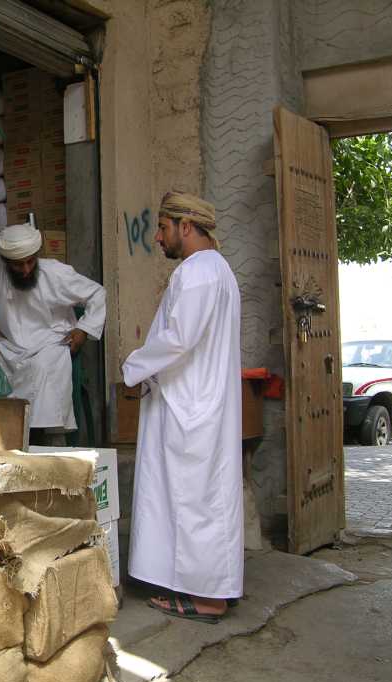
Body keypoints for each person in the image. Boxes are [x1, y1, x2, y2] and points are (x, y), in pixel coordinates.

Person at [121, 191, 243, 623]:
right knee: (201, 499)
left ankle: (207, 598)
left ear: (185, 226)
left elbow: (178, 339)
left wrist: (131, 366)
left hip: (191, 406)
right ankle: (210, 589)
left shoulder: (197, 273)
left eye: (162, 227)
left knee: (194, 501)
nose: (157, 237)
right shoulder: (217, 270)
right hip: (198, 401)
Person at [0, 223, 106, 444]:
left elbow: (97, 293)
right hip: (9, 347)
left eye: (30, 262)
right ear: (5, 263)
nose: (26, 269)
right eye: (18, 265)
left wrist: (83, 329)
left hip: (51, 342)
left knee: (41, 370)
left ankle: (43, 441)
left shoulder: (55, 272)